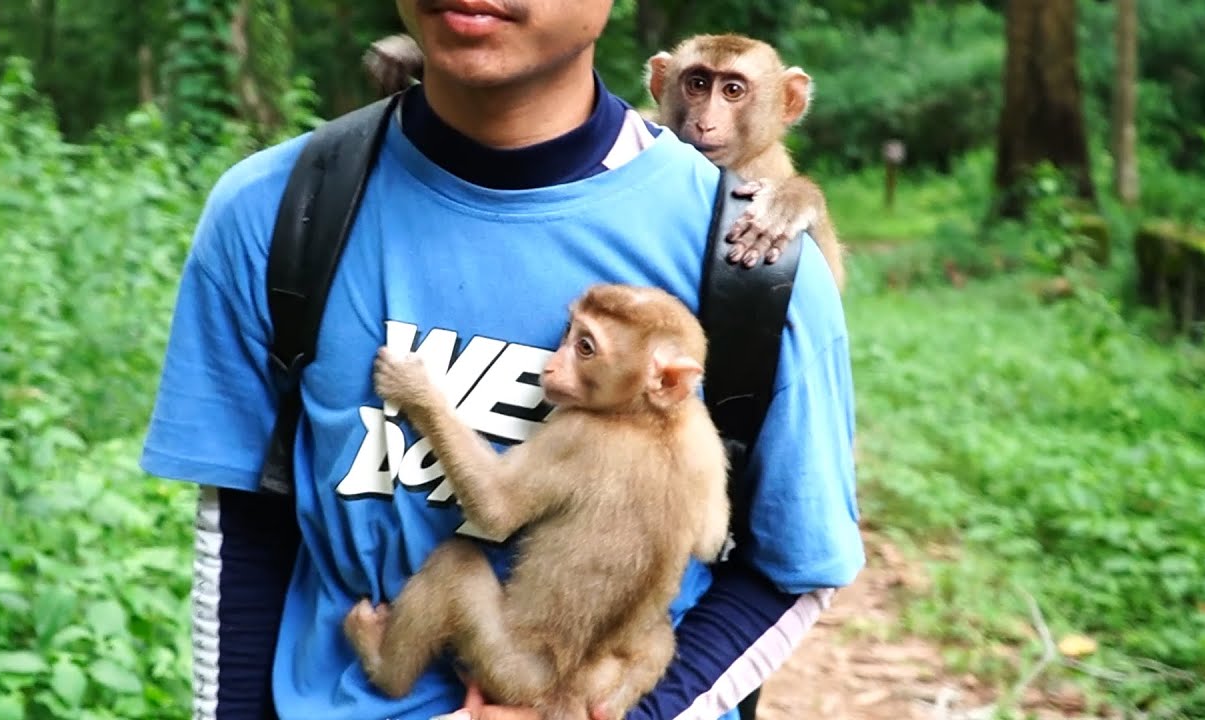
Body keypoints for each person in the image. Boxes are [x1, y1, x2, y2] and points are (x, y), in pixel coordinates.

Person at [139, 1, 864, 719]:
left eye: (733, 89)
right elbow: (246, 533)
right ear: (661, 80)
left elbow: (790, 567)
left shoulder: (755, 256)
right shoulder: (274, 210)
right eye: (698, 85)